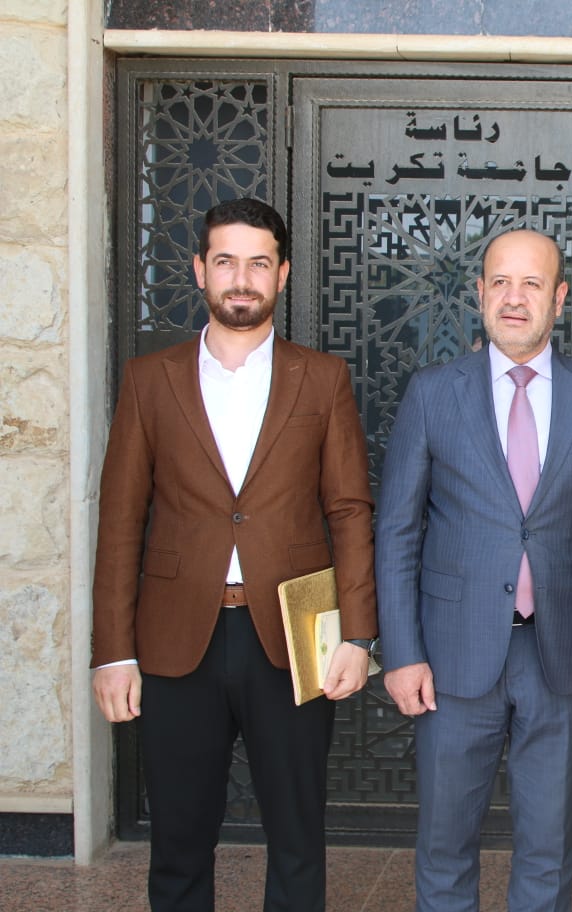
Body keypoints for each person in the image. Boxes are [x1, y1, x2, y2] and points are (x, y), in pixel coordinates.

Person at [90, 197, 378, 912]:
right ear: (200, 270)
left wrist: (358, 636)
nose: (241, 279)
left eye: (257, 263)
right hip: (175, 638)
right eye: (225, 262)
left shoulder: (322, 378)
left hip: (294, 638)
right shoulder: (149, 379)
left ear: (282, 274)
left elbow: (348, 511)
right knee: (179, 841)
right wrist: (112, 652)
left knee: (298, 838)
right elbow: (121, 521)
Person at [376, 228, 572, 912]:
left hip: (562, 657)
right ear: (479, 294)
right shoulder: (432, 393)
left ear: (559, 298)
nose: (514, 297)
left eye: (531, 283)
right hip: (452, 655)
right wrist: (401, 653)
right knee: (444, 843)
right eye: (500, 282)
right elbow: (398, 532)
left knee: (548, 848)